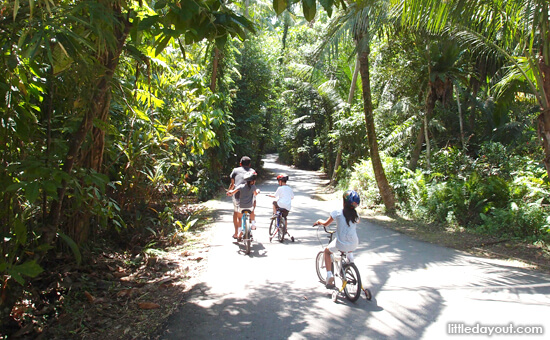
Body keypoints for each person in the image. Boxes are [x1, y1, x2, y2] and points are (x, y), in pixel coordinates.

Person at [313, 190, 360, 288]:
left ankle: (329, 276)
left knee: (327, 251)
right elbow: (355, 222)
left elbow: (326, 223)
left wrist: (319, 221)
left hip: (341, 243)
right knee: (349, 247)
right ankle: (350, 261)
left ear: (344, 202)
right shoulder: (356, 215)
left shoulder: (337, 213)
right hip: (354, 242)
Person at [228, 156, 256, 239]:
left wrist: (229, 191)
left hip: (238, 196)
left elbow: (232, 184)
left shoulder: (235, 170)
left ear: (240, 164)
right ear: (250, 164)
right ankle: (251, 220)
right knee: (252, 206)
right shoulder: (253, 171)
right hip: (249, 196)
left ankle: (236, 233)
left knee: (236, 213)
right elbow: (253, 184)